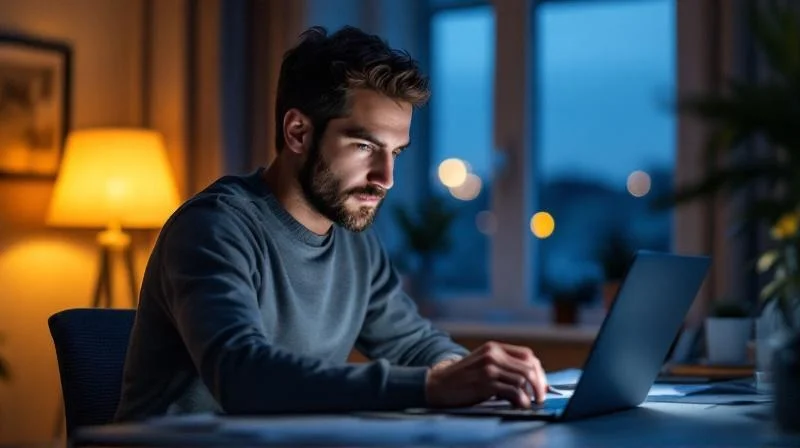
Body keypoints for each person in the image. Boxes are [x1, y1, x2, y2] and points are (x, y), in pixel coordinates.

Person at [114, 25, 548, 422]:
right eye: (364, 146)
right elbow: (241, 374)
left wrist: (469, 375)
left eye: (395, 152)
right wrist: (432, 387)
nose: (386, 178)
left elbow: (416, 346)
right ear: (298, 133)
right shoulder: (213, 228)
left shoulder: (356, 245)